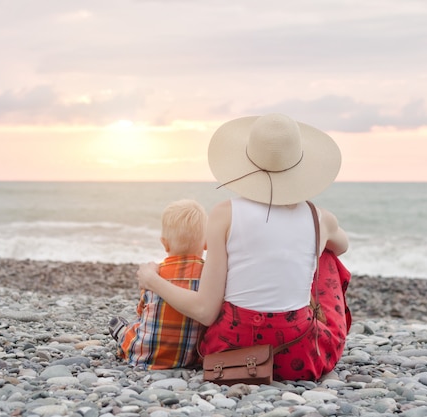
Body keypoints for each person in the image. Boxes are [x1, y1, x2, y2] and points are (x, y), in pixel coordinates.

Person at [137, 113, 352, 381]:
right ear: (299, 166)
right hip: (300, 355)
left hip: (231, 351)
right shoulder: (320, 217)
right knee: (328, 256)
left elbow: (205, 312)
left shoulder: (224, 213)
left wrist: (152, 280)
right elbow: (342, 247)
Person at [109, 199, 207, 369]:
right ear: (206, 243)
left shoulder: (155, 274)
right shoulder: (209, 276)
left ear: (164, 243)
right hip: (189, 358)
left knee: (122, 324)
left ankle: (122, 333)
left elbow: (142, 311)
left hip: (143, 356)